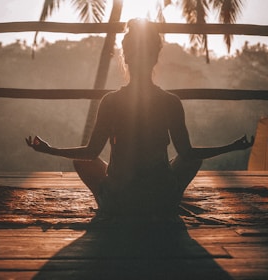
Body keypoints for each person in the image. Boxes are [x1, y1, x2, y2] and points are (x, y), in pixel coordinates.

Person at [26, 19, 253, 221]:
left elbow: (90, 153)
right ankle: (169, 197)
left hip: (120, 202)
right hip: (161, 201)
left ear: (125, 57)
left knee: (81, 161)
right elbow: (188, 153)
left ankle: (107, 203)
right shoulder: (170, 101)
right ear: (155, 58)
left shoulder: (111, 101)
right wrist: (232, 147)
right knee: (191, 159)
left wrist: (50, 149)